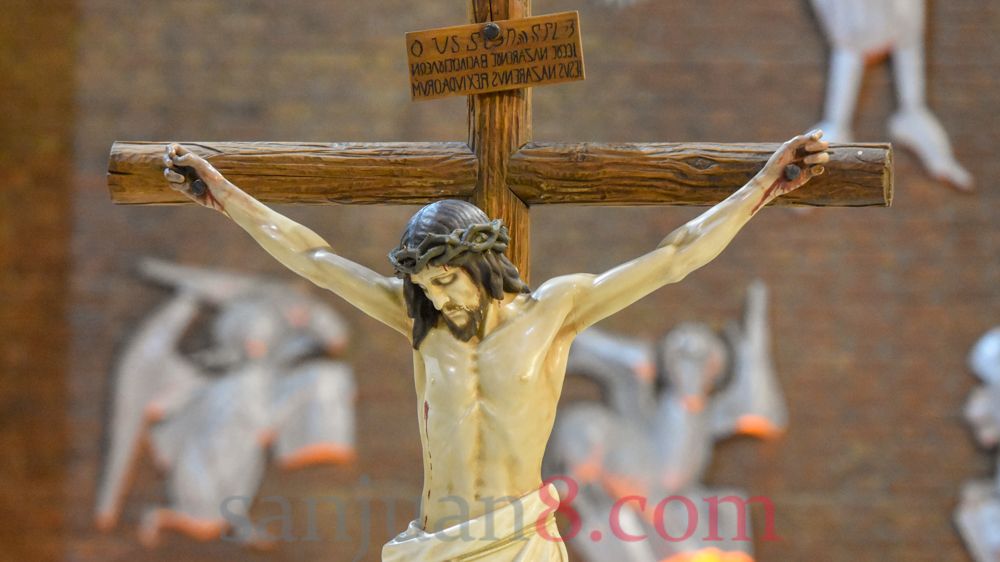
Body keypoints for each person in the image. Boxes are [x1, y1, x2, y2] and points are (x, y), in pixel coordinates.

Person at [162, 130, 829, 561]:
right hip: (436, 541)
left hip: (516, 541)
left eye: (447, 282)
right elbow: (313, 258)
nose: (439, 300)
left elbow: (675, 255)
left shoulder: (555, 312)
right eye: (426, 287)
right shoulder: (420, 322)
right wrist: (223, 195)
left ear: (480, 264)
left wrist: (763, 187)